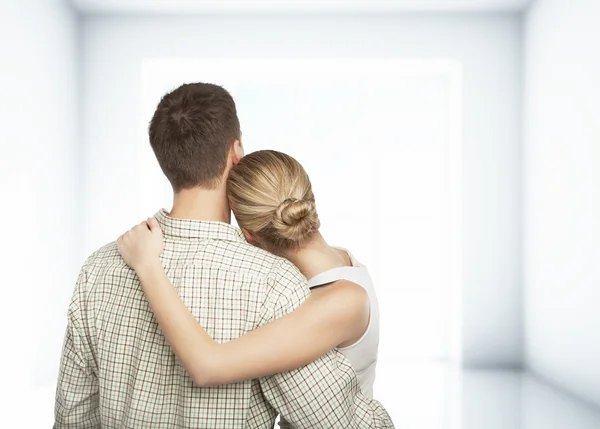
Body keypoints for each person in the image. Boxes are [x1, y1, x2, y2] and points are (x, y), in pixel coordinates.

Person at [53, 82, 393, 429]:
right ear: (236, 152)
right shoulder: (274, 283)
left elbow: (72, 418)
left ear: (165, 159)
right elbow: (329, 420)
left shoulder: (99, 268)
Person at [117, 150, 382, 428]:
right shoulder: (340, 260)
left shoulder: (341, 301)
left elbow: (208, 366)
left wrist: (147, 265)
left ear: (248, 236)